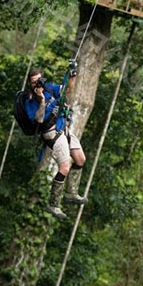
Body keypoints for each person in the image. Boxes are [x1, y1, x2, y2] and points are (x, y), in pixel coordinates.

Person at [25, 62, 88, 219]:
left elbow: (67, 89)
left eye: (39, 81)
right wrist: (41, 100)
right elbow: (39, 120)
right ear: (29, 83)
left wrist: (72, 74)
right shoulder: (30, 100)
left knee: (80, 159)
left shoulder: (49, 88)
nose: (37, 84)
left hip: (63, 128)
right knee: (65, 166)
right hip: (51, 133)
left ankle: (71, 193)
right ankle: (53, 204)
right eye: (34, 82)